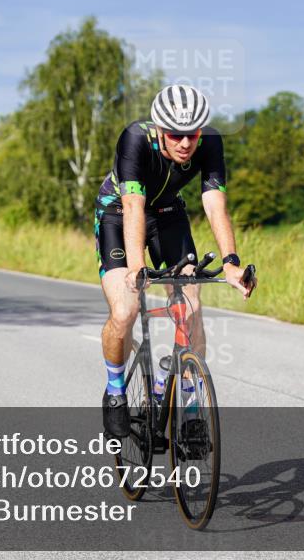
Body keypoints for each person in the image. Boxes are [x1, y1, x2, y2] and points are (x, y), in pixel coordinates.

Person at [95, 84, 255, 438]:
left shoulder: (211, 142)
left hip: (168, 214)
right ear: (159, 130)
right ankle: (116, 392)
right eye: (176, 135)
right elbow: (134, 205)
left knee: (190, 306)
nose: (186, 144)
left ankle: (187, 404)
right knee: (125, 311)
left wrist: (231, 262)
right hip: (119, 214)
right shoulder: (135, 139)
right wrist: (137, 266)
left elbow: (214, 204)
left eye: (192, 135)